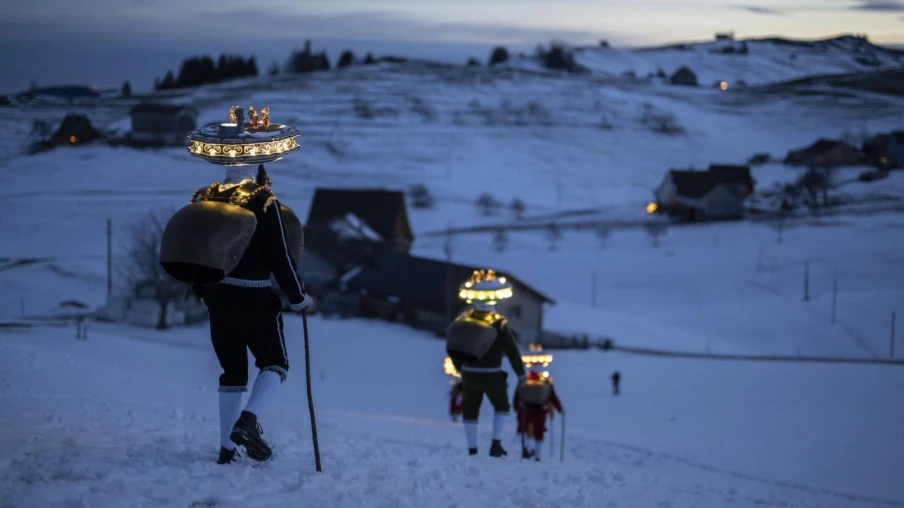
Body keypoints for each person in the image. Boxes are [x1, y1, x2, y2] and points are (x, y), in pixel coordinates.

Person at [190, 164, 313, 464]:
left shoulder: (210, 197)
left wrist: (201, 290)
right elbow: (280, 255)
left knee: (232, 372)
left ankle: (226, 450)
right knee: (275, 363)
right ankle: (247, 421)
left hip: (217, 295)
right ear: (257, 174)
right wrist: (297, 296)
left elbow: (200, 247)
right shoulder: (263, 201)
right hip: (254, 297)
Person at [446, 270, 526, 458]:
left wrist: (460, 370)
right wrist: (521, 374)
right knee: (502, 407)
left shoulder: (464, 321)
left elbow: (453, 347)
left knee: (470, 410)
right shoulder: (499, 324)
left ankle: (472, 448)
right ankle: (495, 445)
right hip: (492, 375)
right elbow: (512, 351)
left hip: (469, 374)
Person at [513, 371, 563, 461]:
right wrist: (560, 409)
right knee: (539, 432)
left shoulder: (524, 379)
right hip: (540, 410)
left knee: (522, 429)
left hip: (525, 409)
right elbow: (552, 396)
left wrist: (517, 408)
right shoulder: (546, 381)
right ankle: (538, 455)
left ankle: (526, 448)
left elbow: (517, 396)